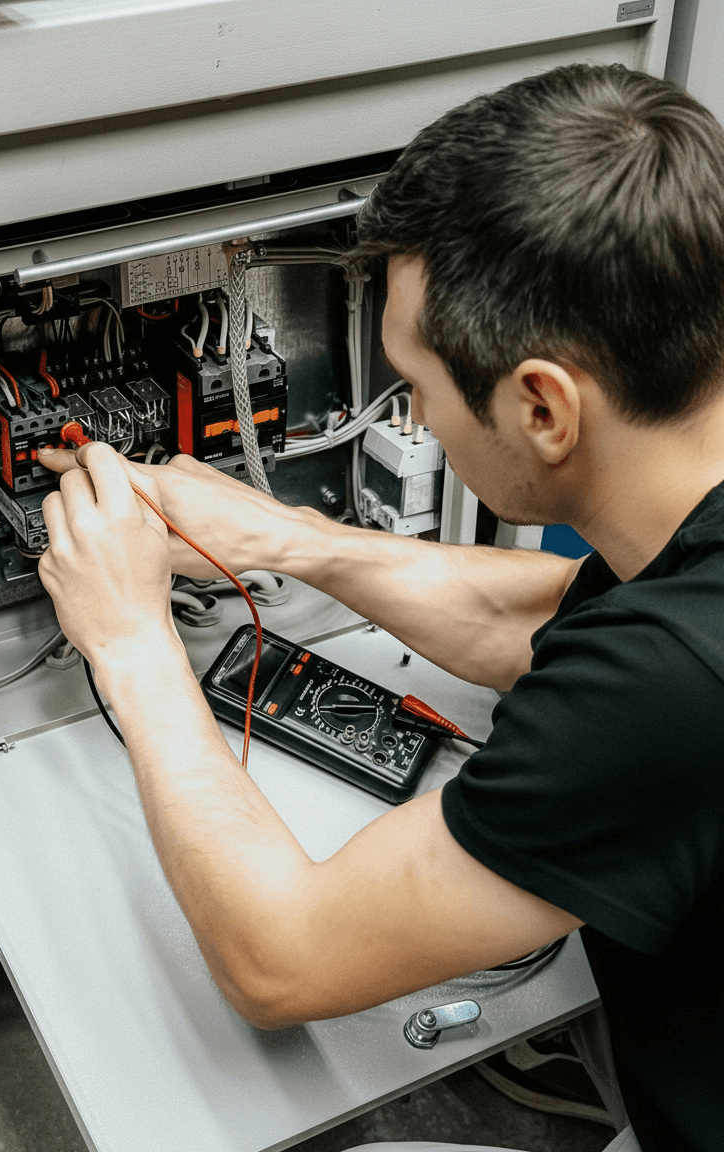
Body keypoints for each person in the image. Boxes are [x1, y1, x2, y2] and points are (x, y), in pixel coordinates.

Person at [36, 64, 724, 1152]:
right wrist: (292, 539)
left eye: (416, 386)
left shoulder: (667, 688)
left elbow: (281, 959)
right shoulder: (687, 547)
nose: (407, 412)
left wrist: (127, 637)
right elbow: (551, 623)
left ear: (540, 404)